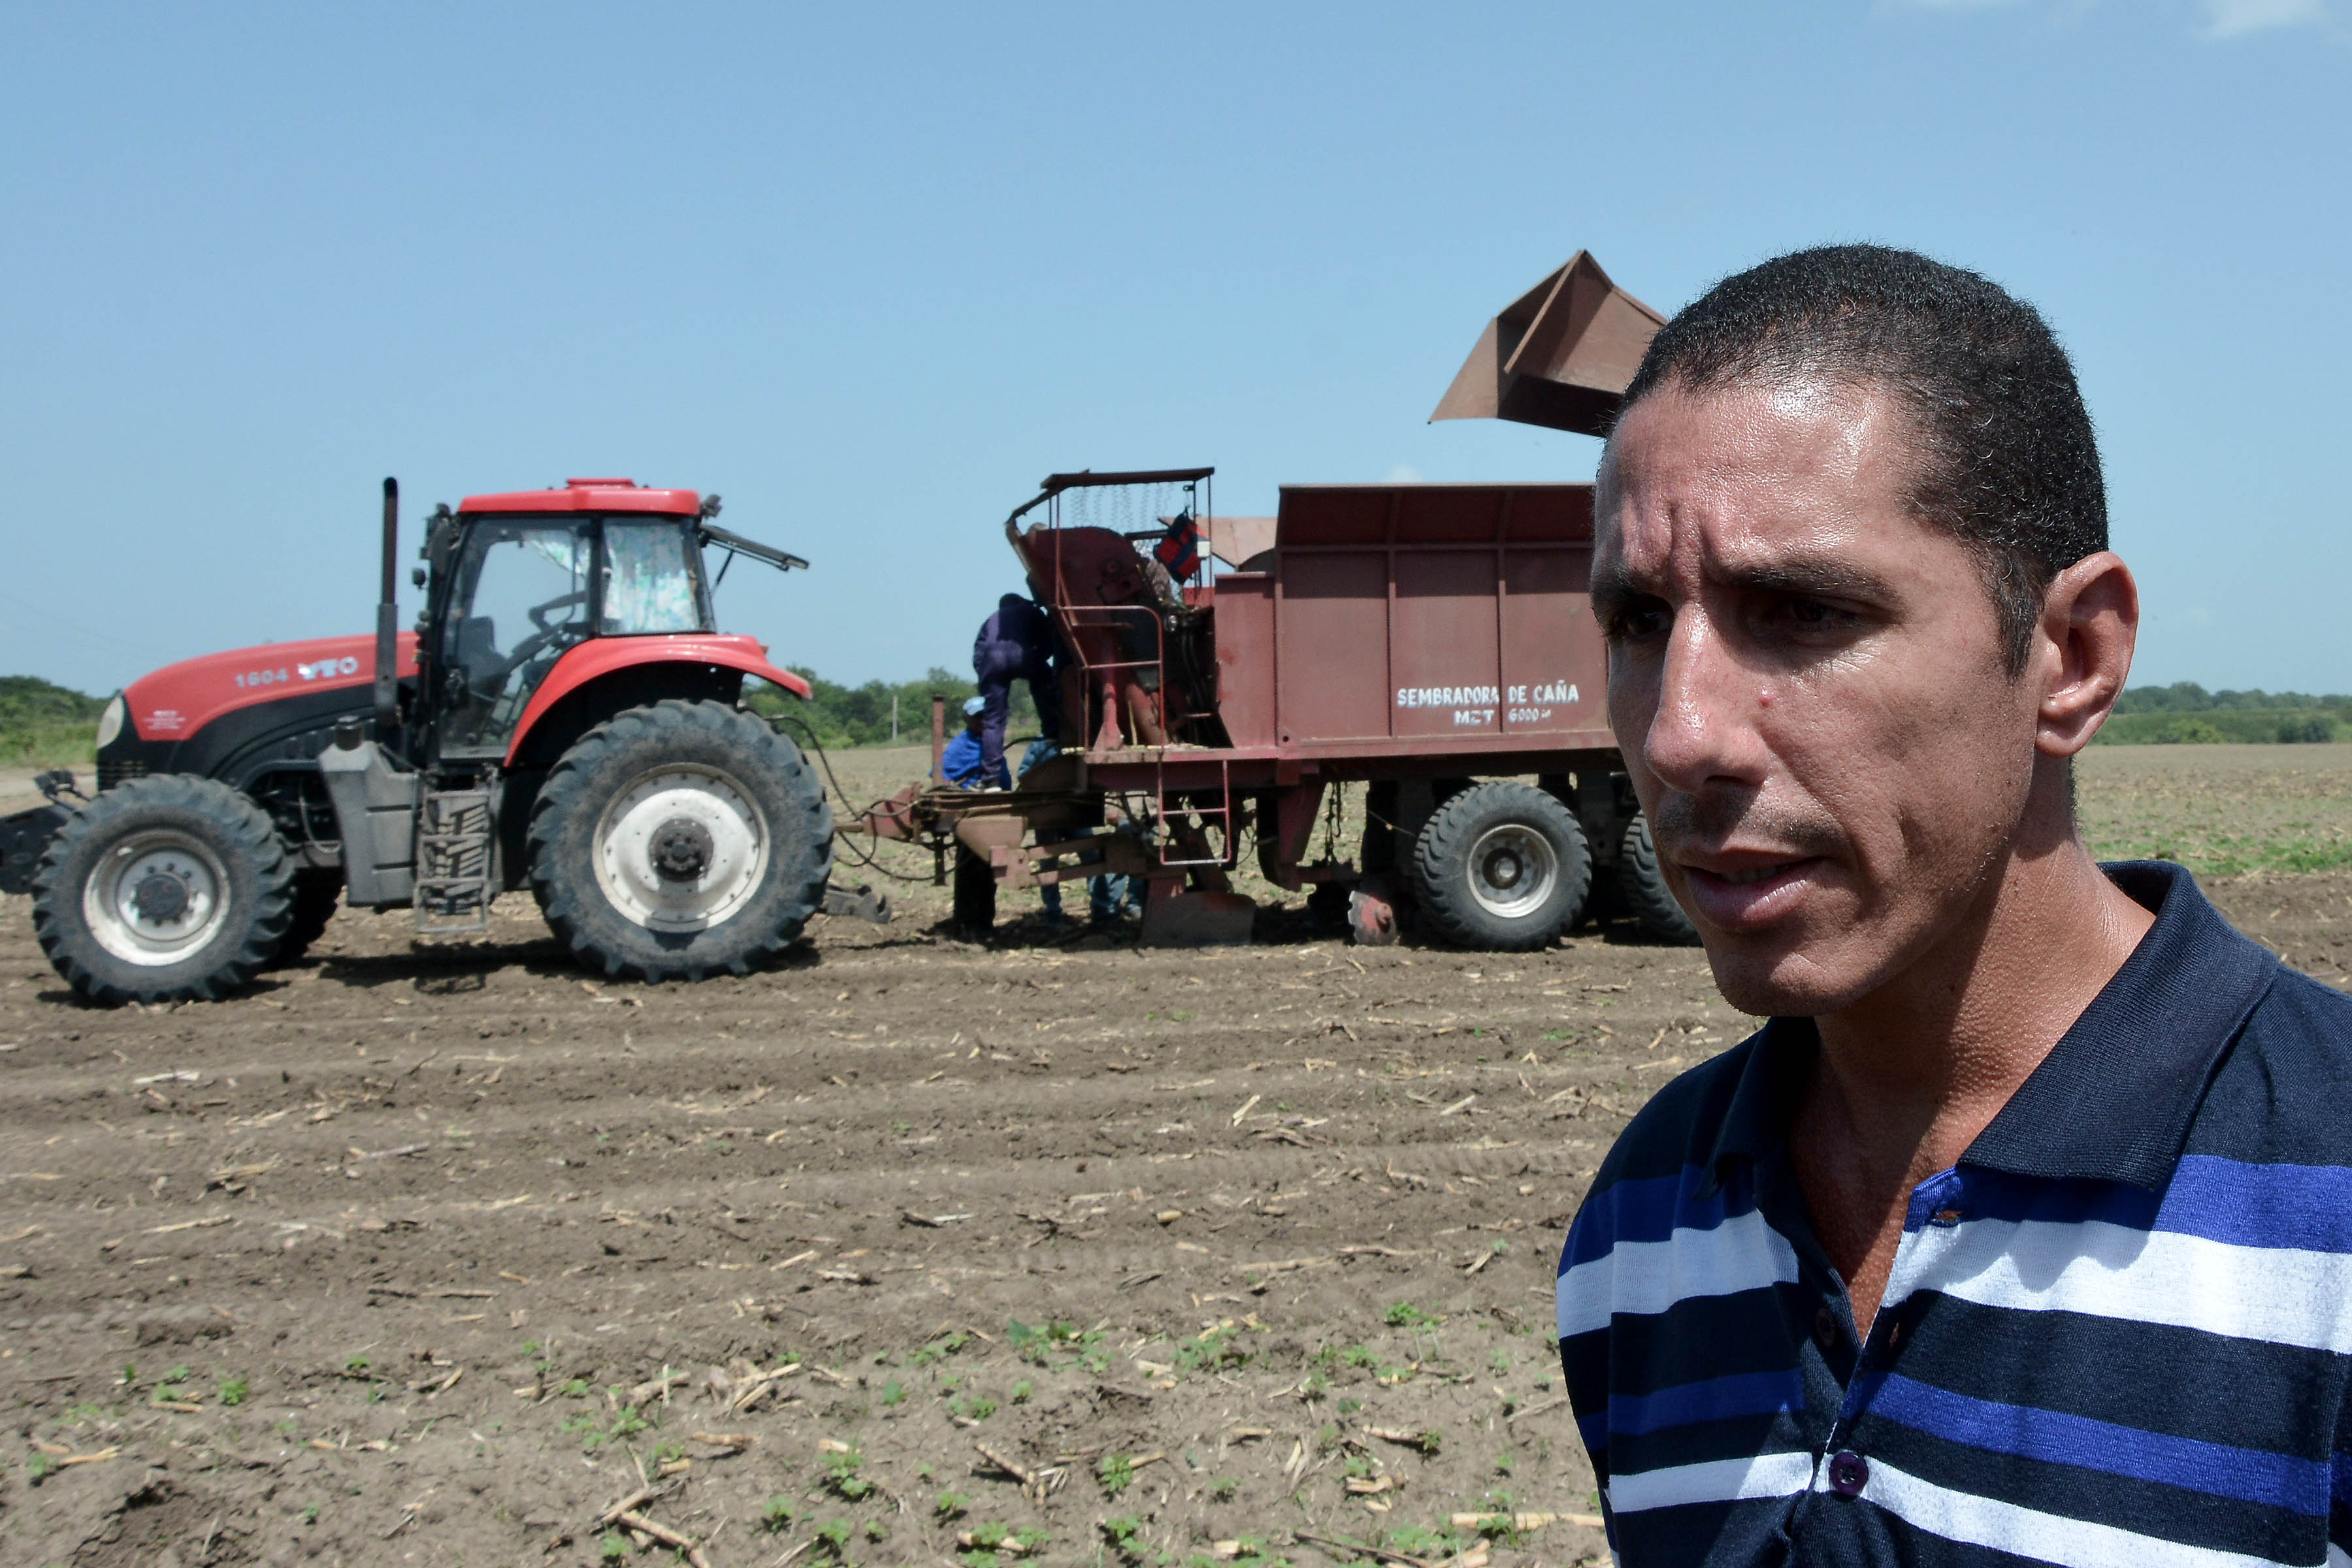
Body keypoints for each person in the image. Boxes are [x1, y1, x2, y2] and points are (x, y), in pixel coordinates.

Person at [1557, 245, 2352, 1566]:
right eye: (1640, 622)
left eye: (1800, 611)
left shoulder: (2325, 1208)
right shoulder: (1646, 1231)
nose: (1683, 733)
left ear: (2072, 657)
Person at [973, 593, 1064, 785]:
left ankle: (991, 781)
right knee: (1043, 681)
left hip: (991, 661)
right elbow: (1049, 645)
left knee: (993, 722)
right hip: (1021, 655)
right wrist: (1038, 663)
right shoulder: (1030, 610)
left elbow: (978, 652)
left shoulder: (992, 619)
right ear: (1020, 601)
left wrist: (987, 683)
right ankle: (1052, 731)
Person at [938, 696, 1004, 789]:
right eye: (978, 716)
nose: (983, 720)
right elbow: (940, 776)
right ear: (966, 719)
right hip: (978, 799)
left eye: (986, 715)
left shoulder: (993, 740)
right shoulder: (960, 745)